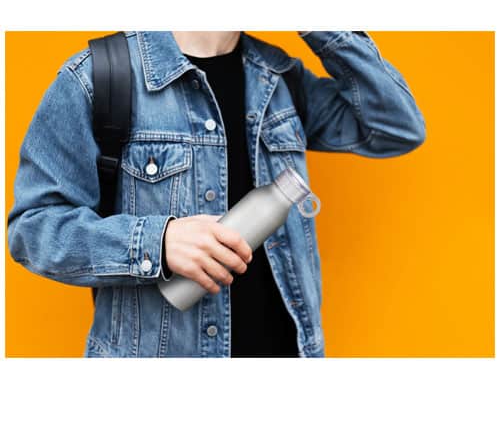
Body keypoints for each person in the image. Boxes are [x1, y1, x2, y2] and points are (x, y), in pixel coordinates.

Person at [7, 31, 426, 358]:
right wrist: (157, 242)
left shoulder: (279, 76)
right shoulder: (99, 76)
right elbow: (33, 228)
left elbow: (398, 127)